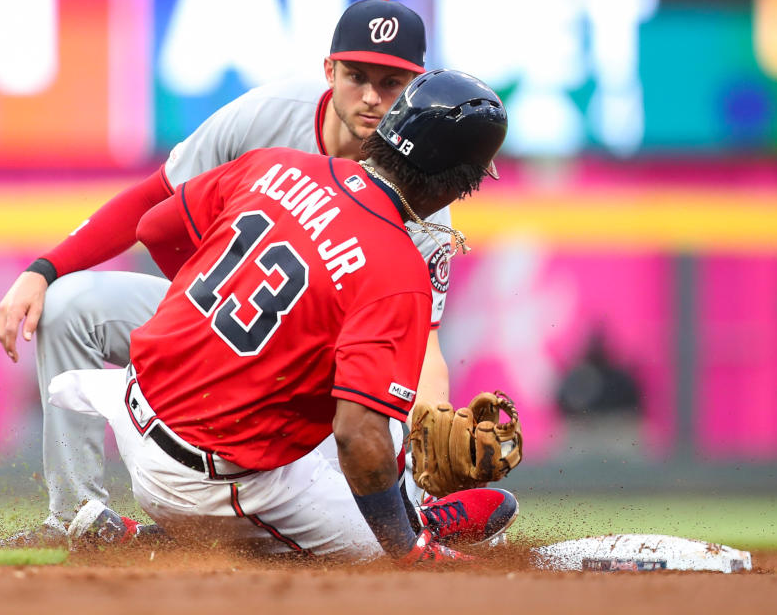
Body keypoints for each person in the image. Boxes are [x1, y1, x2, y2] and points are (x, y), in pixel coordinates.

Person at [0, 0, 457, 547]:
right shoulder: (272, 112)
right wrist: (45, 269)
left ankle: (417, 519)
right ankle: (75, 519)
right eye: (357, 76)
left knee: (383, 420)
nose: (373, 96)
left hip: (311, 369)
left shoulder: (421, 195)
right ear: (329, 70)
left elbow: (417, 342)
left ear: (417, 83)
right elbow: (154, 199)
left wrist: (435, 417)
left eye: (393, 80)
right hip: (218, 313)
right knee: (69, 306)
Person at [51, 68, 510, 563]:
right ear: (460, 184)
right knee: (373, 550)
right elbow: (357, 436)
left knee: (379, 429)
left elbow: (156, 226)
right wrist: (404, 550)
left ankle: (135, 529)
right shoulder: (399, 271)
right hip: (202, 482)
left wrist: (213, 322)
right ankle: (151, 541)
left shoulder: (278, 165)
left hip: (132, 402)